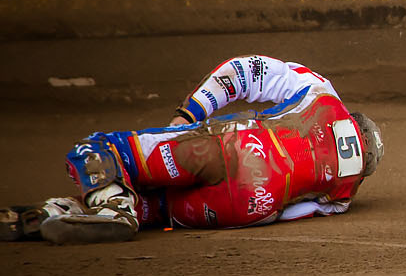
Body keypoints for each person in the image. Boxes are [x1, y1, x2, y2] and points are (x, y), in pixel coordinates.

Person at [4, 54, 385, 246]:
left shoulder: (324, 94)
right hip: (248, 206)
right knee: (155, 208)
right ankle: (48, 214)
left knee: (102, 149)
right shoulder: (345, 194)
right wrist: (258, 213)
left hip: (235, 148)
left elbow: (243, 71)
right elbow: (299, 211)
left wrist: (189, 117)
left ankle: (114, 207)